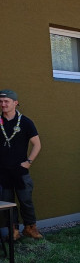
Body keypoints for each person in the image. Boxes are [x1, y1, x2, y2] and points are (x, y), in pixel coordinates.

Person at [0, 89, 43, 240]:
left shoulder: (25, 122)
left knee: (26, 201)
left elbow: (37, 144)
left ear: (15, 103)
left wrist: (28, 162)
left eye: (6, 101)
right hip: (3, 172)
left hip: (20, 170)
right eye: (1, 102)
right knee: (7, 203)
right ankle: (14, 231)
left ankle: (30, 228)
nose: (3, 104)